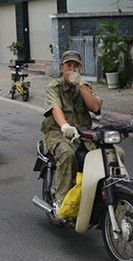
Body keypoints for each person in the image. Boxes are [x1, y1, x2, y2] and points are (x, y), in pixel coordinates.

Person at [40, 50, 102, 209]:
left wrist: (80, 85)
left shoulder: (84, 86)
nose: (72, 69)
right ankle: (60, 200)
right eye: (69, 65)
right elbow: (55, 108)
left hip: (84, 133)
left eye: (76, 66)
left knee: (108, 154)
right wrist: (64, 126)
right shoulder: (54, 87)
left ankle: (101, 194)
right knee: (67, 155)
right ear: (62, 67)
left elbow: (95, 107)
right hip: (58, 133)